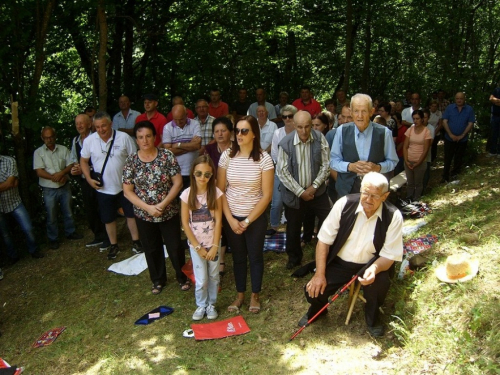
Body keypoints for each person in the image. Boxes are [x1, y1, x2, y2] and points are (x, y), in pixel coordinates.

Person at [298, 172, 403, 337]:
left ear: (385, 196)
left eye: (374, 196)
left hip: (372, 264)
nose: (368, 199)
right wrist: (319, 273)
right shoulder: (344, 204)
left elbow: (390, 255)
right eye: (365, 193)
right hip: (340, 263)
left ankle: (372, 317)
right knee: (313, 289)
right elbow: (323, 241)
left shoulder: (393, 216)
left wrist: (374, 269)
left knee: (380, 284)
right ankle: (318, 309)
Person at [123, 121, 190, 294]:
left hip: (168, 211)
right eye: (140, 137)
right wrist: (147, 208)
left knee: (174, 246)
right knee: (151, 248)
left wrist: (162, 204)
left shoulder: (166, 156)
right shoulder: (131, 161)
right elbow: (128, 191)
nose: (144, 140)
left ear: (154, 137)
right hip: (144, 214)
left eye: (148, 136)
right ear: (136, 140)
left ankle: (182, 276)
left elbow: (178, 182)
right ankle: (158, 280)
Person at [217, 115, 274, 314]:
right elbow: (220, 191)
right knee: (239, 257)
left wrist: (248, 220)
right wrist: (231, 220)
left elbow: (267, 196)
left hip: (255, 218)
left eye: (244, 131)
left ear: (254, 135)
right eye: (237, 131)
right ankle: (240, 295)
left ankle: (255, 295)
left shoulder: (264, 159)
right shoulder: (227, 156)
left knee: (255, 256)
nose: (239, 135)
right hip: (231, 216)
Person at [80, 111, 142, 259]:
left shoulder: (124, 138)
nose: (101, 130)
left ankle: (136, 242)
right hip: (103, 188)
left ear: (111, 124)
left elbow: (135, 159)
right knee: (108, 218)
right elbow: (83, 161)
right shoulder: (89, 141)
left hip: (125, 186)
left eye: (104, 126)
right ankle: (113, 245)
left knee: (131, 214)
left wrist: (133, 180)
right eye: (97, 127)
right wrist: (89, 179)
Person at [277, 110, 331, 269]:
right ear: (294, 125)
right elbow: (282, 171)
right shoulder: (285, 143)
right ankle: (294, 257)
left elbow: (326, 165)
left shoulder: (320, 138)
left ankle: (326, 251)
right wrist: (301, 192)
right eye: (299, 127)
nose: (304, 131)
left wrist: (314, 187)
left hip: (317, 192)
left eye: (307, 126)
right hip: (294, 194)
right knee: (293, 227)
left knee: (328, 219)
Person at [330, 94, 398, 199]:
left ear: (371, 112)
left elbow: (393, 161)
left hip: (374, 191)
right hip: (346, 190)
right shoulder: (341, 131)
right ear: (351, 112)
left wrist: (378, 168)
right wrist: (349, 166)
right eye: (356, 111)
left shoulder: (384, 133)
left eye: (364, 111)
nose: (360, 116)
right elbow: (333, 160)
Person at [180, 155, 223, 320]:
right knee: (201, 278)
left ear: (212, 175)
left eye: (207, 174)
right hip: (196, 245)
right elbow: (185, 222)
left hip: (213, 243)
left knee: (213, 276)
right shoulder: (186, 195)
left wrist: (214, 245)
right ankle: (201, 305)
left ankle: (211, 304)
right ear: (192, 173)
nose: (202, 178)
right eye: (199, 174)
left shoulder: (216, 193)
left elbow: (218, 220)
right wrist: (197, 247)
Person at [34, 126, 82, 249]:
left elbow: (71, 164)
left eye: (51, 137)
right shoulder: (38, 152)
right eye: (46, 138)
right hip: (48, 189)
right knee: (51, 215)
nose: (49, 140)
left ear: (55, 137)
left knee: (68, 212)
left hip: (64, 185)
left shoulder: (63, 149)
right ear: (42, 138)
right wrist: (55, 177)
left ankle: (70, 232)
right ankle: (53, 239)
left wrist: (62, 174)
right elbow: (39, 171)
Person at [70, 114, 108, 248]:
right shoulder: (75, 141)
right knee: (90, 208)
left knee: (102, 207)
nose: (79, 126)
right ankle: (98, 235)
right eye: (77, 124)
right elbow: (73, 160)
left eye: (82, 123)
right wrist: (74, 169)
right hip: (84, 181)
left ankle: (108, 236)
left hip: (98, 178)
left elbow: (101, 159)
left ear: (89, 124)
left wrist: (87, 168)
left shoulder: (96, 138)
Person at [204, 117, 234, 276]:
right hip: (215, 192)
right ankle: (221, 259)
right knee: (218, 224)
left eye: (223, 130)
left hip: (235, 193)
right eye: (217, 131)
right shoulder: (209, 150)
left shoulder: (238, 148)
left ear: (230, 132)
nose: (220, 134)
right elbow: (205, 172)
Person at [0, 155, 43, 259]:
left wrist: (9, 183)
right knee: (5, 235)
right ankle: (13, 257)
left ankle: (33, 250)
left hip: (15, 203)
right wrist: (7, 183)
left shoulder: (9, 160)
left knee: (28, 228)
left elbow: (11, 183)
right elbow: (10, 183)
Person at [267, 105, 297, 237]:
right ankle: (274, 225)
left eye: (290, 116)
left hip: (297, 173)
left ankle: (293, 225)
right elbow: (274, 154)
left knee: (295, 202)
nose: (287, 119)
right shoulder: (278, 133)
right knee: (277, 202)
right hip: (280, 171)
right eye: (284, 116)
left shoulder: (299, 132)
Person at [163, 104, 202, 188]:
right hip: (175, 172)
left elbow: (198, 145)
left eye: (181, 119)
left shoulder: (195, 124)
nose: (178, 122)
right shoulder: (167, 128)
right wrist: (190, 146)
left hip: (193, 170)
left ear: (186, 115)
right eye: (175, 119)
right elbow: (168, 152)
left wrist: (178, 145)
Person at [441, 92, 475, 182]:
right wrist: (451, 134)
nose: (459, 100)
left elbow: (470, 123)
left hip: (462, 139)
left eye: (461, 98)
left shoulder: (469, 109)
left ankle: (455, 175)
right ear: (455, 99)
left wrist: (462, 135)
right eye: (457, 98)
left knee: (458, 158)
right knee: (447, 158)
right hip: (449, 138)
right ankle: (445, 177)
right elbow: (444, 121)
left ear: (464, 99)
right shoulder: (450, 108)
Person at [403, 110, 432, 201]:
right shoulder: (410, 130)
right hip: (409, 161)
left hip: (420, 161)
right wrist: (406, 161)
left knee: (418, 183)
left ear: (422, 119)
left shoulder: (426, 131)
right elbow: (405, 146)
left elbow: (426, 149)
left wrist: (418, 163)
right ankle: (409, 199)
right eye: (414, 119)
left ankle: (416, 200)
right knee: (410, 183)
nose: (415, 121)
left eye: (418, 119)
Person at [487, 84, 500, 157]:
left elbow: (494, 100)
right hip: (495, 115)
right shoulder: (496, 90)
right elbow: (491, 99)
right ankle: (492, 151)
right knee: (494, 134)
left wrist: (496, 101)